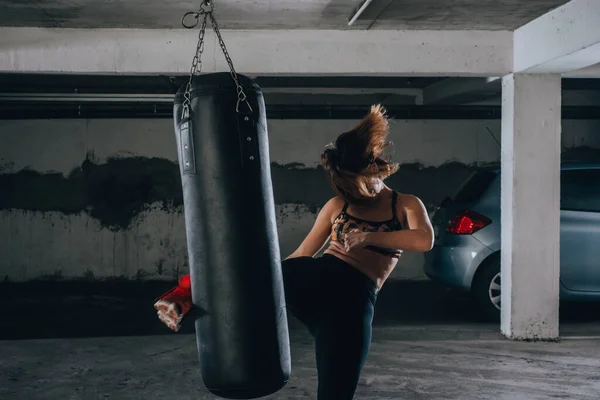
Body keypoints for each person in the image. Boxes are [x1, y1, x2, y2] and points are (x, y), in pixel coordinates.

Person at [154, 104, 434, 399]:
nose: (360, 189)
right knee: (262, 273)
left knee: (336, 391)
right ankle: (183, 296)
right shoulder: (338, 206)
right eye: (353, 184)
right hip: (322, 277)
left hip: (355, 300)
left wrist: (366, 237)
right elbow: (303, 254)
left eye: (363, 180)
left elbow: (424, 240)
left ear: (377, 167)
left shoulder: (405, 204)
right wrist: (273, 280)